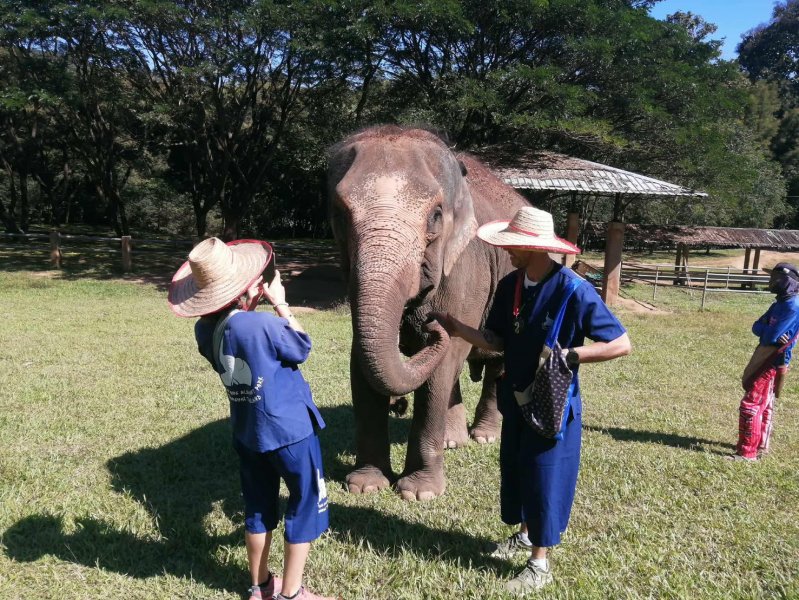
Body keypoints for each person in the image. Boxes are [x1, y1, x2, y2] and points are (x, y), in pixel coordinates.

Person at [433, 206, 631, 594]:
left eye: (513, 246)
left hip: (552, 406)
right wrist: (457, 328)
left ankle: (540, 564)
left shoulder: (574, 289)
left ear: (533, 247)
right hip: (516, 402)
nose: (507, 251)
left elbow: (621, 343)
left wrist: (571, 356)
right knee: (520, 471)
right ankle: (525, 536)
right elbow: (496, 340)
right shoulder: (511, 285)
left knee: (544, 479)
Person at [168, 237, 335, 600]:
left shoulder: (205, 331)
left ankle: (259, 587)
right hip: (291, 432)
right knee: (305, 502)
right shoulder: (260, 325)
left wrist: (251, 301)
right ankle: (292, 594)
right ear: (245, 287)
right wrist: (280, 302)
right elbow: (302, 346)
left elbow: (238, 335)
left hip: (248, 433)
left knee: (258, 506)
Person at [730, 262, 799, 461]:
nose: (772, 281)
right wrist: (767, 329)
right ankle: (760, 444)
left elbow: (771, 336)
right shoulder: (778, 305)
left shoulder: (793, 307)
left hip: (773, 361)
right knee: (765, 404)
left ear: (788, 281)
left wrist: (768, 329)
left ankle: (747, 452)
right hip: (765, 356)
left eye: (776, 278)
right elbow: (756, 327)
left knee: (751, 404)